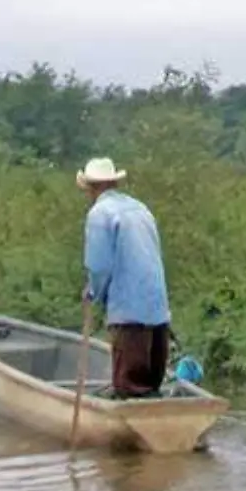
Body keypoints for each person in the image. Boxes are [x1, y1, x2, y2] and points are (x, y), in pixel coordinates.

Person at [77, 157, 172, 399]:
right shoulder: (140, 208)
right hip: (158, 311)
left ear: (91, 187)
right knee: (150, 385)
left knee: (129, 388)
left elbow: (99, 266)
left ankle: (130, 430)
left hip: (129, 313)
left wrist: (92, 293)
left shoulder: (100, 214)